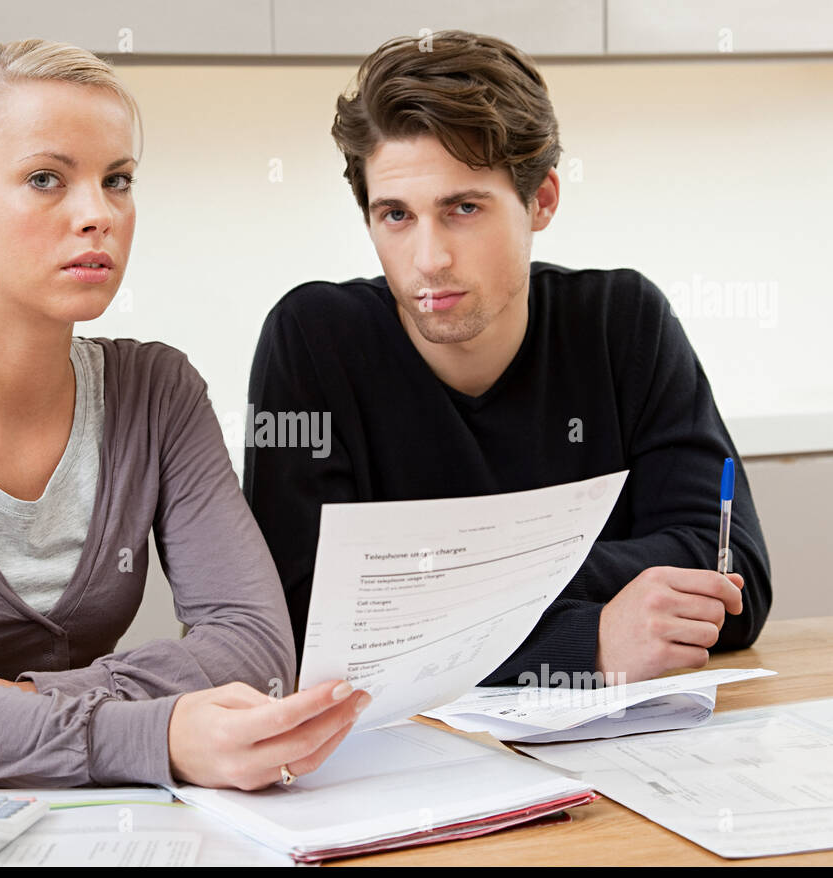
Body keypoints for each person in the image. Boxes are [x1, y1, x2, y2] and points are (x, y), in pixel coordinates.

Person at [0, 38, 368, 791]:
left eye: (117, 180)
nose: (98, 215)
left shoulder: (159, 389)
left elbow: (255, 646)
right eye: (47, 179)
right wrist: (157, 735)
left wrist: (2, 697)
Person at [243, 30, 772, 688]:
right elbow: (296, 628)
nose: (429, 259)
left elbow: (730, 579)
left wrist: (420, 594)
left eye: (463, 208)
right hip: (401, 768)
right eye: (396, 216)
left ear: (542, 200)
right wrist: (588, 640)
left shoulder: (624, 321)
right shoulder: (314, 340)